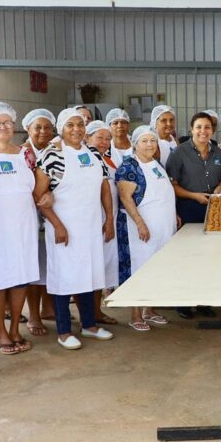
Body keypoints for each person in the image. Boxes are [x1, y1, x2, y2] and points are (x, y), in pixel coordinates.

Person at [33, 109, 115, 349]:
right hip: (64, 226)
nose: (77, 129)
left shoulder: (93, 154)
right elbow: (39, 195)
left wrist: (108, 219)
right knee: (65, 277)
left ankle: (89, 325)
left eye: (80, 124)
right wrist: (57, 225)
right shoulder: (51, 156)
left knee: (89, 274)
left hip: (90, 225)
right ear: (61, 128)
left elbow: (104, 189)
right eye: (70, 125)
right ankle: (64, 331)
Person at [0, 102, 40, 355]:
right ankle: (1, 331)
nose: (3, 127)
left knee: (21, 278)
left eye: (7, 123)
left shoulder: (25, 154)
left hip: (23, 225)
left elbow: (35, 186)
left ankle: (15, 329)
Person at [116, 126, 178, 331]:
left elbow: (164, 193)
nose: (150, 145)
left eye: (153, 140)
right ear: (135, 143)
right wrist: (141, 224)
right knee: (138, 268)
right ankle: (135, 314)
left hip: (161, 227)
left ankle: (149, 309)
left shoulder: (155, 163)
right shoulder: (129, 166)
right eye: (145, 141)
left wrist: (173, 214)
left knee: (155, 268)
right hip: (139, 230)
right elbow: (125, 198)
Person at [166, 112, 221, 319]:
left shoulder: (217, 152)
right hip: (189, 208)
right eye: (199, 127)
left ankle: (204, 302)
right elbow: (171, 185)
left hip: (213, 210)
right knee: (187, 257)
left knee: (210, 257)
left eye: (207, 127)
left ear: (212, 130)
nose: (203, 131)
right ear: (191, 129)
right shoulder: (179, 153)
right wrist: (194, 196)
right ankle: (184, 303)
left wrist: (219, 188)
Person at [21, 108, 56, 336]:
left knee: (49, 265)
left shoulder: (56, 151)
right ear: (28, 129)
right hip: (29, 216)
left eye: (47, 127)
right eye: (37, 127)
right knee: (34, 270)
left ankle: (48, 309)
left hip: (52, 216)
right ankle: (33, 316)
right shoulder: (22, 153)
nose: (43, 132)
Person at [85, 119, 120, 325]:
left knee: (102, 268)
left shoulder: (108, 158)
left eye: (108, 138)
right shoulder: (88, 159)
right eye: (100, 137)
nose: (104, 142)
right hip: (95, 220)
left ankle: (96, 312)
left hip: (109, 219)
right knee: (92, 269)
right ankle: (90, 315)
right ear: (87, 137)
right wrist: (107, 220)